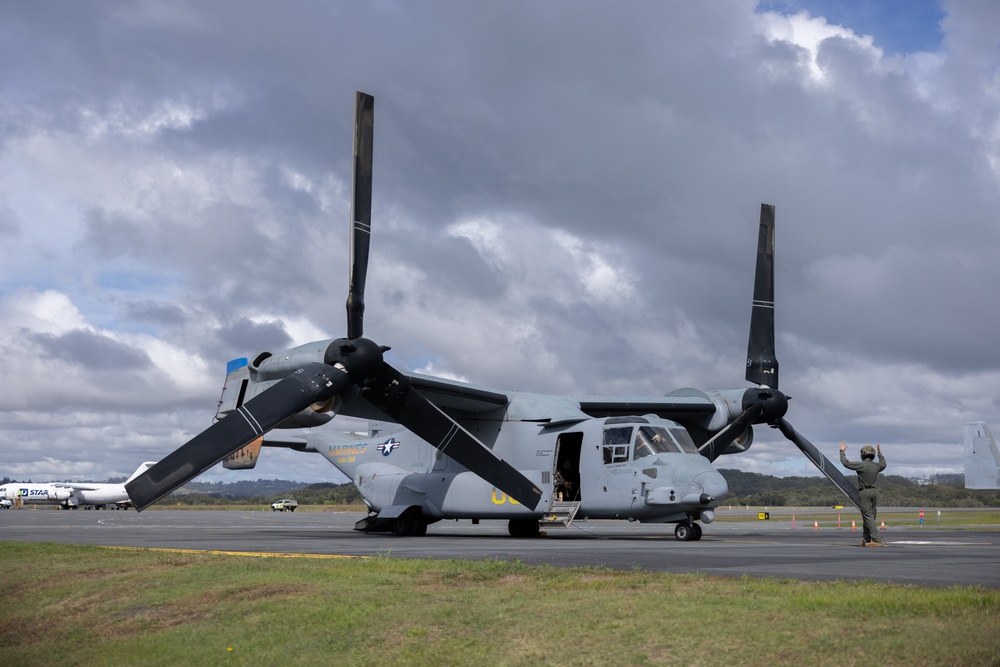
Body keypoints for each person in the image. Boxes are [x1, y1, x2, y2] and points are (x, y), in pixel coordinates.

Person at [839, 442, 887, 546]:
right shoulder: (876, 466)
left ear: (863, 454)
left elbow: (846, 463)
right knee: (870, 516)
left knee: (867, 516)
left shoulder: (861, 465)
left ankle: (877, 540)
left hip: (864, 492)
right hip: (873, 492)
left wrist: (842, 452)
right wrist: (880, 453)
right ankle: (866, 539)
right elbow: (884, 464)